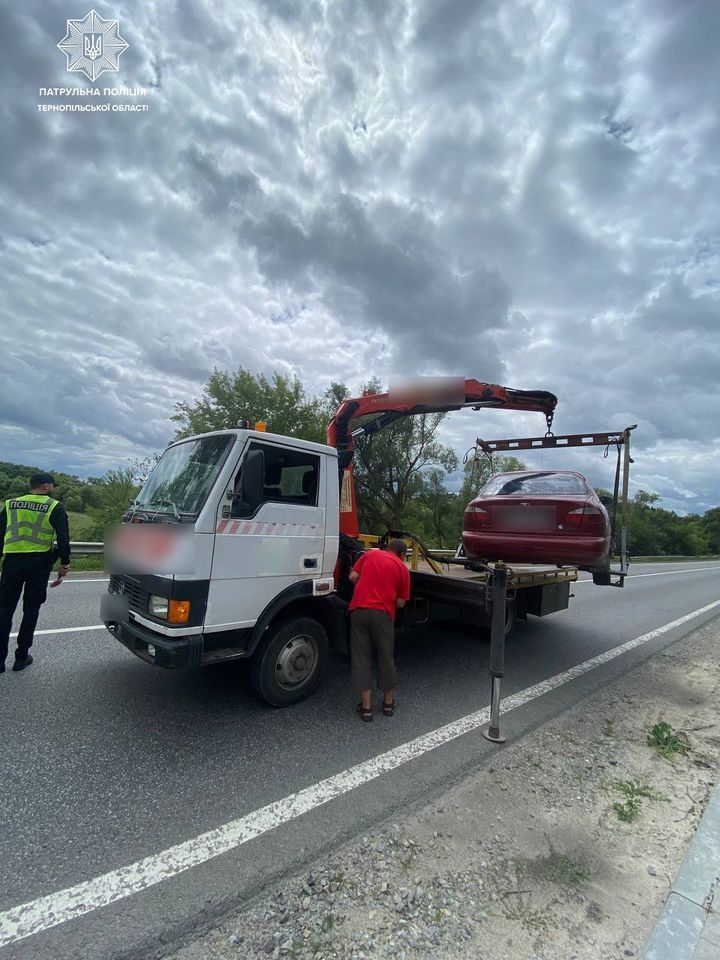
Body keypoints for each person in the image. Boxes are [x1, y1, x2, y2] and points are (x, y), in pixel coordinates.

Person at [0, 472, 71, 673]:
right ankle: (21, 657)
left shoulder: (10, 504)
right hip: (39, 564)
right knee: (31, 610)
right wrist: (64, 564)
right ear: (46, 486)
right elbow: (63, 539)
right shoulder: (54, 506)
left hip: (12, 562)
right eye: (52, 486)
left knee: (4, 610)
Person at [348, 539, 410, 722]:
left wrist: (365, 587)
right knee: (385, 657)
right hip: (383, 615)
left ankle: (366, 709)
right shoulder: (402, 568)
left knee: (361, 658)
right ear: (403, 554)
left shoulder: (371, 554)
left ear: (386, 548)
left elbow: (352, 577)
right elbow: (400, 603)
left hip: (359, 611)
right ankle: (388, 705)